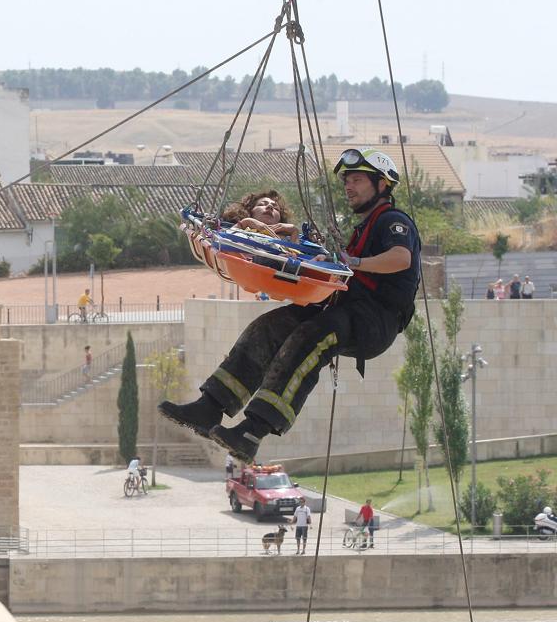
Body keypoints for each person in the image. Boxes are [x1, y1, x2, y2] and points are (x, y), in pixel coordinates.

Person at [159, 148, 421, 465]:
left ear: (382, 185)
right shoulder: (364, 227)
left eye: (356, 179)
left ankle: (253, 431)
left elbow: (401, 258)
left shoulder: (394, 221)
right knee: (268, 328)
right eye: (347, 180)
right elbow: (343, 269)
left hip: (374, 321)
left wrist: (355, 262)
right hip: (344, 309)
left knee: (311, 337)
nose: (348, 186)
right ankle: (210, 405)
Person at [221, 191, 301, 241]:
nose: (270, 207)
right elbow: (223, 242)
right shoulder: (241, 230)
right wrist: (247, 222)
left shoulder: (284, 239)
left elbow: (297, 261)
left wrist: (294, 232)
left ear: (280, 219)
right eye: (262, 204)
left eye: (276, 208)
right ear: (249, 211)